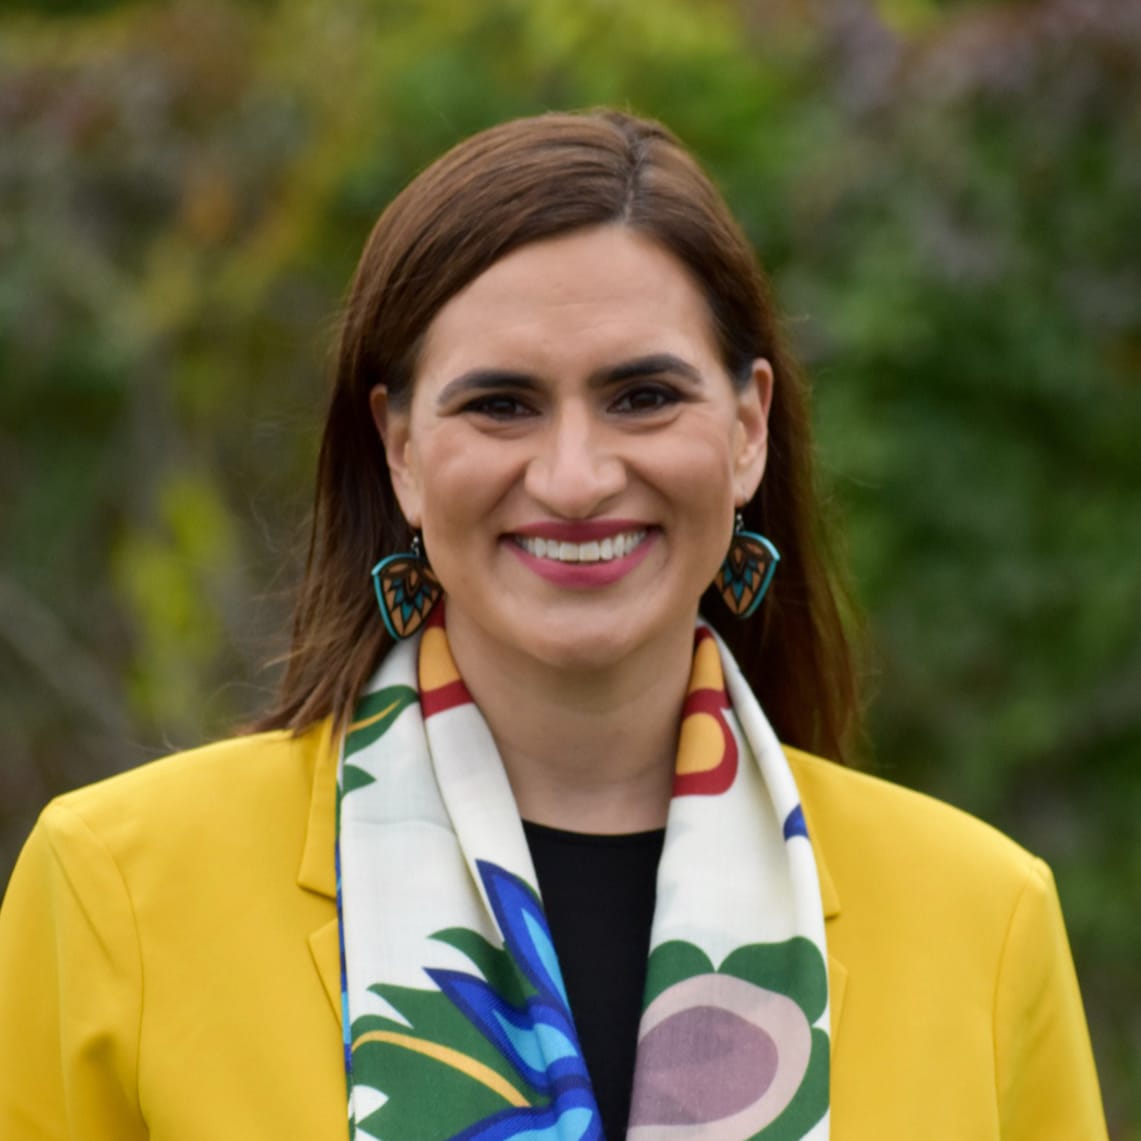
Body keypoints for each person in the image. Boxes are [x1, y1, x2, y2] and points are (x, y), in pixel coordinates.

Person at [0, 109, 1106, 1141]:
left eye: (643, 397)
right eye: (501, 405)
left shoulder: (981, 923)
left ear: (747, 430)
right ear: (400, 452)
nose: (575, 478)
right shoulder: (118, 895)